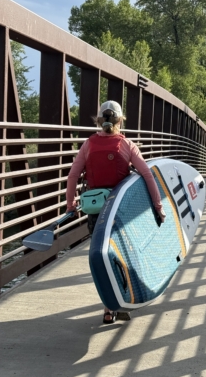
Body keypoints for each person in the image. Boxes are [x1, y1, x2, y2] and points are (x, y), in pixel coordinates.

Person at [66, 100, 166, 324]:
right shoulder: (127, 145)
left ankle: (108, 307)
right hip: (121, 210)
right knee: (124, 255)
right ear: (120, 121)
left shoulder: (88, 145)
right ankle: (122, 301)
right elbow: (147, 175)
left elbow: (72, 176)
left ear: (98, 120)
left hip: (96, 210)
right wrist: (158, 207)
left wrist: (71, 205)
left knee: (103, 256)